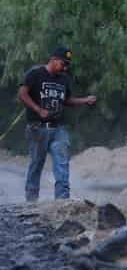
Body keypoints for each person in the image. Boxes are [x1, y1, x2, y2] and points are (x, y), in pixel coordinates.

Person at [17, 46, 97, 202]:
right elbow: (22, 93)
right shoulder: (35, 73)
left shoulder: (64, 79)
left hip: (58, 129)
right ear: (53, 60)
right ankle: (31, 200)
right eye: (63, 64)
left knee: (62, 164)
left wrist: (85, 100)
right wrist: (38, 109)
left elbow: (66, 100)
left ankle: (62, 201)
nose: (65, 68)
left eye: (67, 65)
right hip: (37, 127)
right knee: (36, 164)